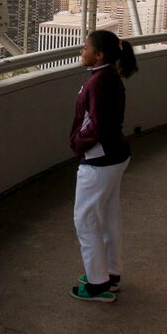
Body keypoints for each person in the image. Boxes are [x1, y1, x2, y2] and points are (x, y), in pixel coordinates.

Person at [68, 30, 139, 303]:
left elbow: (96, 125)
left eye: (85, 48)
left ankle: (98, 284)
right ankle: (111, 272)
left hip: (99, 160)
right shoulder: (108, 76)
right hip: (115, 156)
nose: (81, 51)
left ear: (98, 55)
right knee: (108, 216)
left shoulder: (98, 82)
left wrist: (77, 143)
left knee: (85, 220)